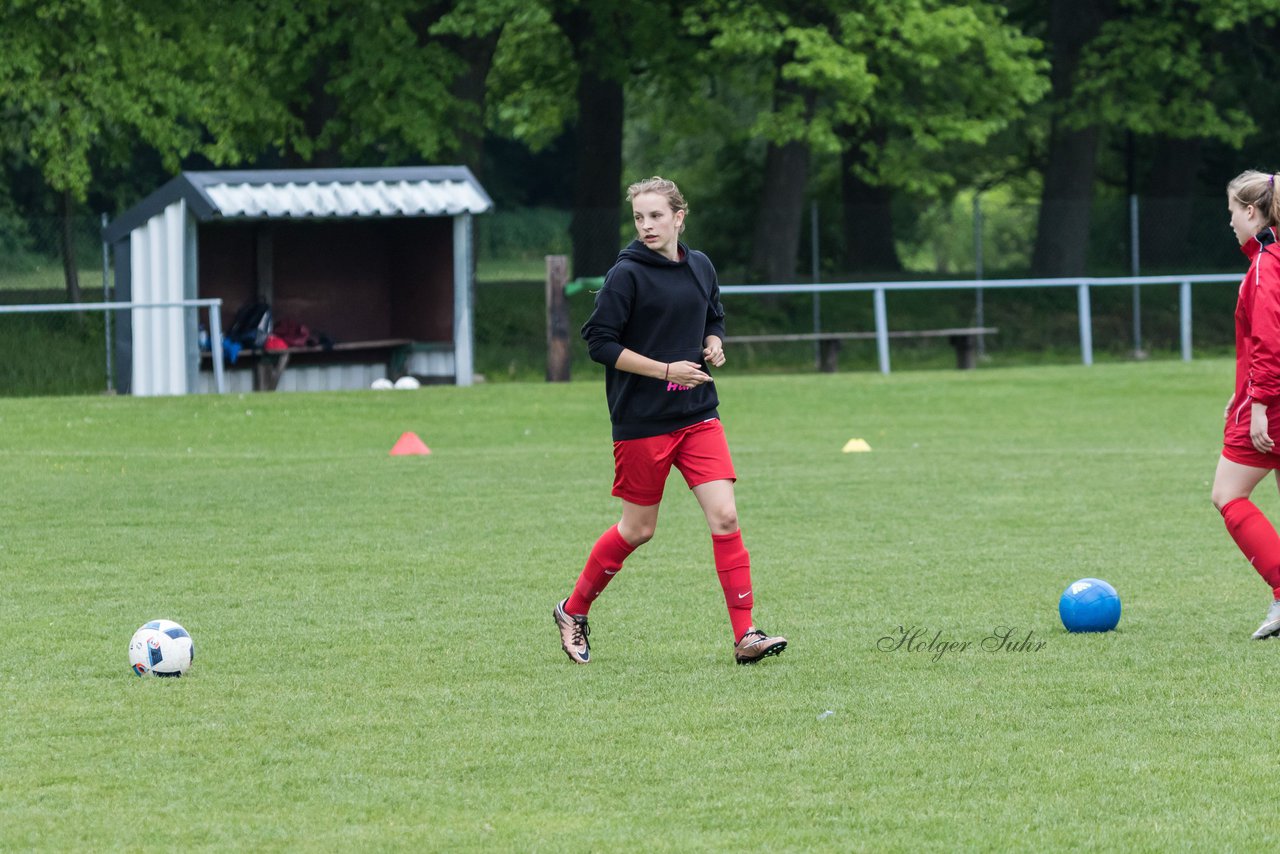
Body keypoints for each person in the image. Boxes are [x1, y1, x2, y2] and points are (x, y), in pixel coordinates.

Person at [553, 176, 787, 665]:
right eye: (639, 217)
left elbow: (712, 316)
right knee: (638, 529)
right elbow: (599, 343)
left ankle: (746, 635)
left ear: (679, 217)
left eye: (656, 215)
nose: (647, 226)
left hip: (698, 414)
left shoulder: (700, 266)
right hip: (642, 420)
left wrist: (714, 341)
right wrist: (664, 370)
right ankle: (572, 610)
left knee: (725, 516)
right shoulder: (627, 275)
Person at [1212, 169, 1280, 639]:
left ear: (1252, 211)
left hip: (1271, 404)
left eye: (1233, 211)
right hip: (1262, 396)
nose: (1231, 221)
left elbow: (1269, 343)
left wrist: (1256, 403)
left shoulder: (1265, 264)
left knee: (1228, 494)